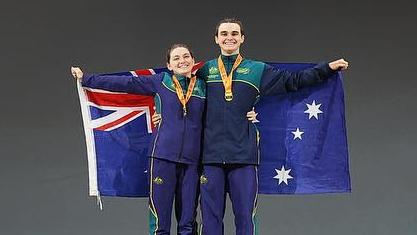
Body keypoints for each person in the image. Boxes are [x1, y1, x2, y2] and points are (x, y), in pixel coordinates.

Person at [71, 43, 258, 235]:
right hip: (162, 159)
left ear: (193, 61)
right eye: (176, 58)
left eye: (186, 57)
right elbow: (126, 84)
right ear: (169, 65)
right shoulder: (160, 81)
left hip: (192, 164)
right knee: (160, 223)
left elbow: (228, 103)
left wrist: (248, 112)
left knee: (188, 223)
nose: (182, 61)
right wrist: (86, 78)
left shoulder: (204, 86)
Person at [194, 18, 349, 235]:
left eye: (234, 33)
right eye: (224, 34)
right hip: (210, 158)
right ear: (216, 39)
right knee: (210, 222)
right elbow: (176, 92)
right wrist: (162, 113)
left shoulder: (257, 70)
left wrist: (327, 69)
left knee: (245, 220)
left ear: (242, 38)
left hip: (244, 158)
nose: (229, 37)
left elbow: (293, 81)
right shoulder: (202, 71)